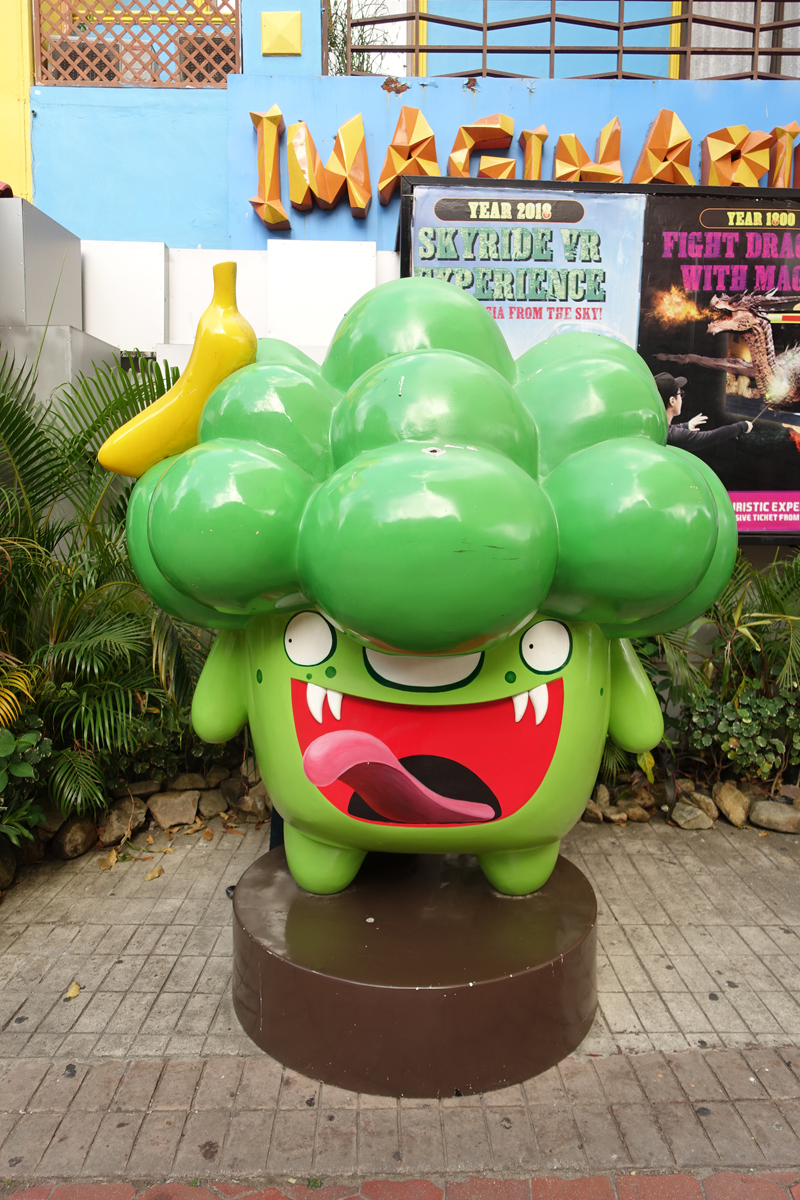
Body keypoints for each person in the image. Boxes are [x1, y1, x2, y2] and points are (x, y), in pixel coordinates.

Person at [653, 373, 752, 448]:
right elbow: (711, 437)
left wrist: (686, 426)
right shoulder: (671, 436)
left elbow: (669, 429)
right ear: (672, 401)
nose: (682, 398)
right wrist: (742, 426)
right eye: (680, 394)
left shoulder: (655, 427)